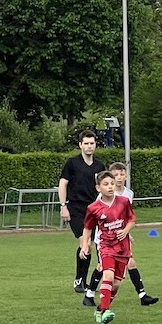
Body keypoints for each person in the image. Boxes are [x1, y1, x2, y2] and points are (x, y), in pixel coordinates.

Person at [85, 162, 158, 306]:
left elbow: (125, 218)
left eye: (121, 174)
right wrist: (87, 242)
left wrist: (127, 232)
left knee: (128, 265)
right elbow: (98, 219)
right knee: (104, 268)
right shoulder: (102, 197)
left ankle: (141, 295)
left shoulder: (128, 194)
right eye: (116, 175)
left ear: (126, 176)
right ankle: (91, 295)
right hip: (105, 240)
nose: (119, 178)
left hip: (121, 239)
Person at [80, 170, 136, 324]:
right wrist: (85, 245)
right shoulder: (93, 208)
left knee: (116, 284)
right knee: (108, 276)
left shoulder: (124, 201)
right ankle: (105, 311)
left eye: (112, 183)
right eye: (106, 184)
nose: (110, 186)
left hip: (123, 248)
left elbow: (132, 219)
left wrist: (126, 230)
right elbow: (87, 228)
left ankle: (100, 309)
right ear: (98, 188)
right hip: (106, 246)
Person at [58, 129, 107, 304]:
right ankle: (80, 280)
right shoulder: (72, 163)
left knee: (90, 246)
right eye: (86, 143)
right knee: (85, 243)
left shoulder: (99, 167)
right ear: (80, 145)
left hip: (94, 211)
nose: (89, 146)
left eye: (92, 143)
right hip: (76, 210)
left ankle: (84, 281)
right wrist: (63, 206)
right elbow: (63, 184)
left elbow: (104, 187)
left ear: (95, 145)